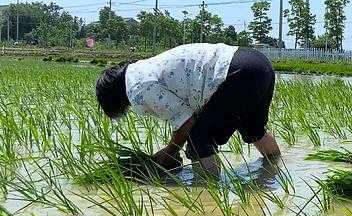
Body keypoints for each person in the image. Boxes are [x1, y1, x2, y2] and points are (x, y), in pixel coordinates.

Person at [95, 43, 281, 176]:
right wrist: (172, 151)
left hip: (237, 72)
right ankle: (276, 172)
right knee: (254, 129)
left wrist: (170, 152)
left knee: (198, 139)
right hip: (257, 64)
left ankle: (208, 194)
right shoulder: (141, 68)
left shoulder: (138, 88)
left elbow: (187, 122)